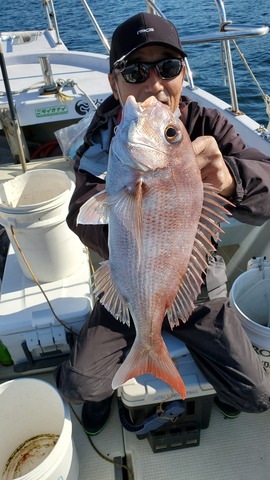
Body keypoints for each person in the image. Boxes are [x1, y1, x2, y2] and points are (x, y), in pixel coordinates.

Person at [55, 12, 270, 435]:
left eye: (168, 67)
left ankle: (219, 385)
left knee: (256, 395)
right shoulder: (100, 141)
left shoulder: (208, 125)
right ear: (115, 84)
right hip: (129, 279)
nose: (154, 83)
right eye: (135, 71)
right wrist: (133, 220)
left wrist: (231, 181)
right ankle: (100, 398)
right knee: (80, 384)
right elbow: (80, 215)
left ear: (183, 73)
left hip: (195, 285)